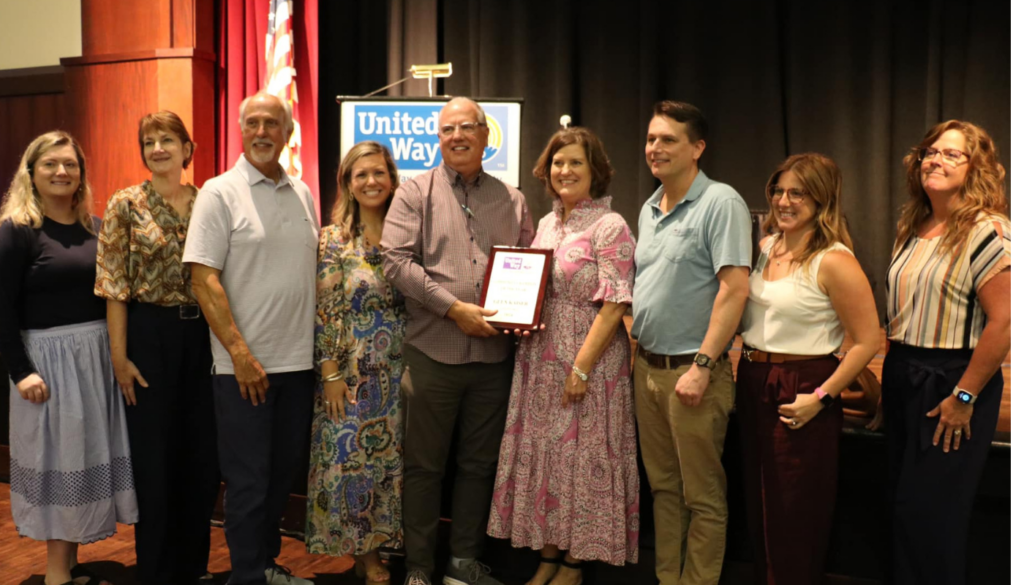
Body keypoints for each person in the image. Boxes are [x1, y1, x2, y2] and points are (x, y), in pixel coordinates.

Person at [381, 97, 535, 585]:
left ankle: (463, 564)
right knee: (424, 469)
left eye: (467, 127)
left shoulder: (512, 200)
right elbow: (396, 262)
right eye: (447, 130)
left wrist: (524, 310)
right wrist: (454, 309)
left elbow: (532, 265)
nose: (457, 137)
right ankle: (421, 568)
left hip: (493, 358)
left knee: (478, 466)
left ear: (486, 135)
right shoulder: (413, 193)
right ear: (438, 137)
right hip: (432, 356)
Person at [487, 127, 640, 585]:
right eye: (557, 162)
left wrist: (581, 367)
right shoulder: (549, 223)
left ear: (595, 169)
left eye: (575, 162)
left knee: (583, 457)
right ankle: (549, 557)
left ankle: (575, 564)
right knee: (552, 457)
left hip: (588, 361)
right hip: (540, 358)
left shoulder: (610, 225)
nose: (565, 170)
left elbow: (615, 302)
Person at [183, 92, 319, 585]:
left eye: (273, 123)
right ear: (242, 130)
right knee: (247, 485)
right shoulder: (219, 192)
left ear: (287, 133)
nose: (263, 132)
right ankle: (246, 575)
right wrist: (239, 354)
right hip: (244, 370)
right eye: (254, 123)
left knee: (280, 482)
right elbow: (203, 279)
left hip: (298, 366)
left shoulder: (302, 193)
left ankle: (265, 566)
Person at [0, 131, 138, 585]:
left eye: (70, 165)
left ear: (81, 174)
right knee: (58, 466)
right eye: (50, 164)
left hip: (94, 360)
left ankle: (72, 566)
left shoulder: (95, 228)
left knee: (82, 459)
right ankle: (57, 575)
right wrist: (20, 371)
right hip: (48, 365)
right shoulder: (17, 231)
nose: (62, 172)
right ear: (31, 173)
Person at [735, 153, 879, 585]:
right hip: (754, 379)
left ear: (821, 199)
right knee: (760, 506)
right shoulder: (766, 248)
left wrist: (820, 398)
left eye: (797, 192)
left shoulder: (834, 260)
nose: (784, 200)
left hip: (804, 384)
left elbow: (868, 340)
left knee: (794, 512)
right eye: (778, 190)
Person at [880, 120, 1010, 585]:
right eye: (930, 151)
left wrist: (965, 397)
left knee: (931, 519)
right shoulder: (913, 225)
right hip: (903, 373)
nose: (935, 159)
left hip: (952, 381)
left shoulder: (987, 230)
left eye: (952, 154)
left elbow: (1005, 322)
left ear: (977, 167)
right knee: (900, 508)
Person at [93, 111, 220, 585]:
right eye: (149, 142)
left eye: (168, 139)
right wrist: (119, 358)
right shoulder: (126, 204)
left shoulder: (211, 200)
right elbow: (114, 287)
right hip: (148, 339)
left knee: (202, 459)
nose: (158, 148)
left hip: (205, 338)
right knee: (155, 460)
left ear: (188, 149)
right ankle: (157, 571)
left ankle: (195, 568)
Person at [630, 101, 751, 585]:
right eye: (651, 139)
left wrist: (703, 364)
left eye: (668, 140)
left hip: (693, 370)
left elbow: (735, 288)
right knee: (663, 489)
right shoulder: (648, 207)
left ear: (697, 148)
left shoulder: (721, 202)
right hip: (648, 371)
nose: (655, 148)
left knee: (701, 496)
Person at [305, 141, 406, 584]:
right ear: (347, 182)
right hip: (352, 371)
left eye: (379, 173)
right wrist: (329, 373)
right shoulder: (333, 239)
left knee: (394, 464)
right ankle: (366, 556)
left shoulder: (408, 233)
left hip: (404, 368)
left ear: (392, 178)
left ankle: (390, 544)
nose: (371, 181)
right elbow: (324, 308)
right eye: (361, 174)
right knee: (353, 462)